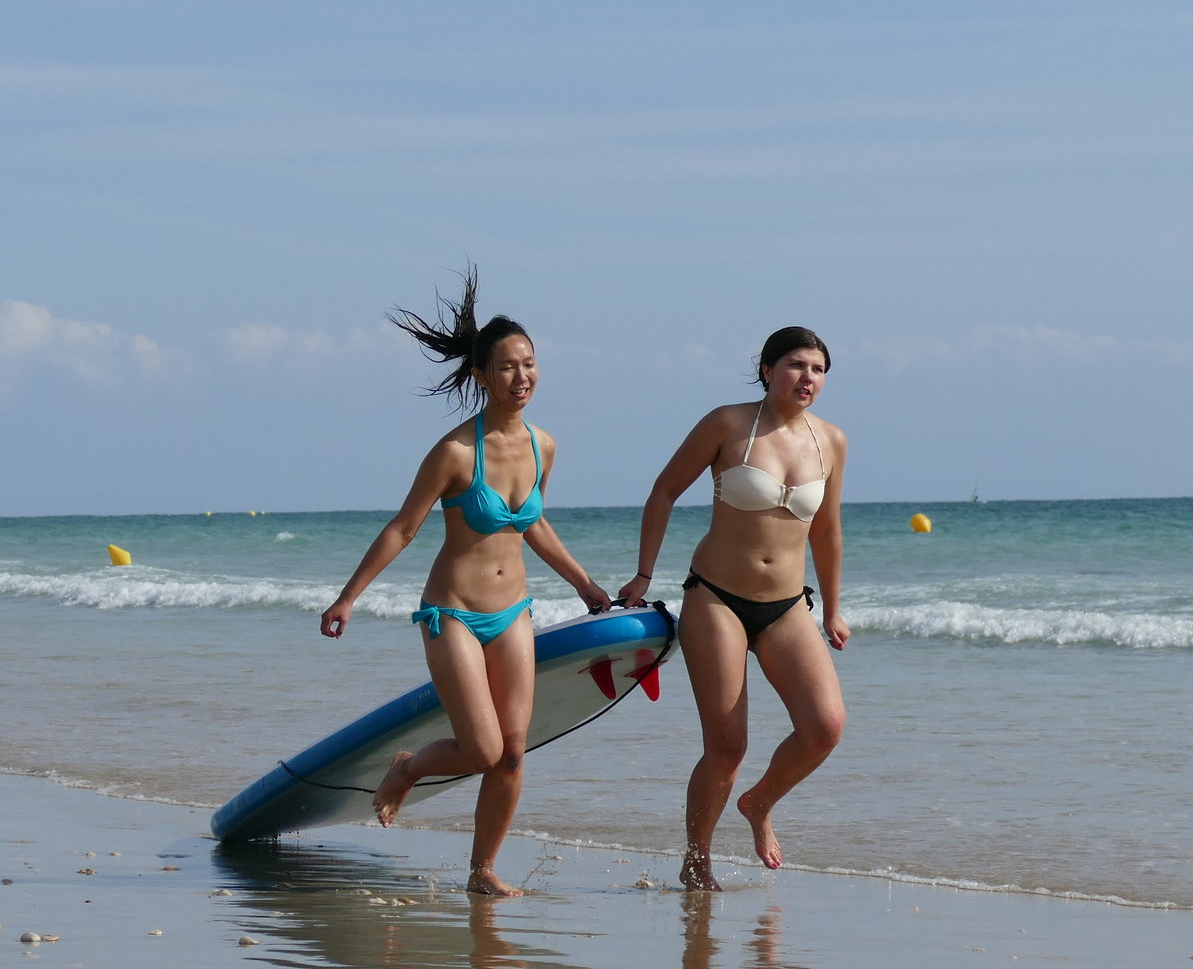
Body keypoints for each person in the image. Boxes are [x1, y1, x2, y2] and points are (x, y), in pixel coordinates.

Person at [319, 270, 612, 897]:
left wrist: (586, 585)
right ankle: (409, 766)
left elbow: (533, 525)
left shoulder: (544, 446)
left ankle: (482, 871)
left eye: (530, 364)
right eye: (507, 367)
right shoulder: (456, 452)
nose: (522, 377)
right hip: (452, 613)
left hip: (515, 613)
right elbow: (403, 528)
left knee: (511, 753)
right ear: (482, 374)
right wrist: (349, 596)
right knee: (480, 749)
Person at [618, 328, 849, 889]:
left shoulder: (831, 441)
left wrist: (832, 610)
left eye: (818, 369)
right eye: (796, 365)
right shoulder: (727, 424)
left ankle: (759, 804)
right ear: (767, 369)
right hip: (717, 597)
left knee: (825, 727)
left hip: (788, 605)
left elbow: (827, 531)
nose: (807, 378)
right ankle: (696, 860)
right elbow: (663, 491)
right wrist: (644, 573)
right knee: (727, 746)